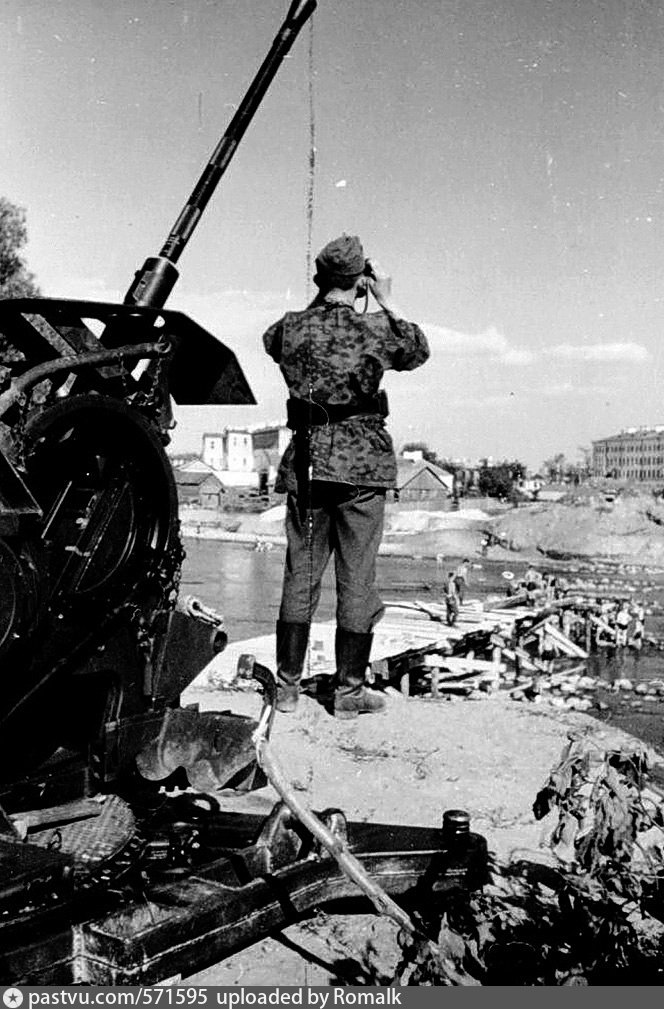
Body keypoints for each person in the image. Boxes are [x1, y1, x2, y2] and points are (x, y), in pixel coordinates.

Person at [263, 234, 430, 717]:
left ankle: (287, 689)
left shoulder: (290, 327)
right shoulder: (376, 328)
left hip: (308, 461)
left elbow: (273, 341)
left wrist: (326, 297)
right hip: (362, 464)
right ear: (362, 279)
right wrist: (386, 299)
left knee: (301, 574)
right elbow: (417, 350)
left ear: (319, 278)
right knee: (357, 579)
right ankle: (350, 692)